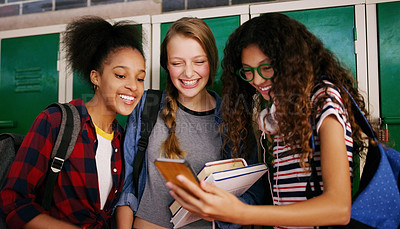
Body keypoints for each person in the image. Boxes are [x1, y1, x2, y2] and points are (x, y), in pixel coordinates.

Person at [166, 12, 370, 228]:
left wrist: (242, 213)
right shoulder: (283, 110)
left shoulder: (324, 101)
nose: (257, 80)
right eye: (248, 71)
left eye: (266, 68)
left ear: (290, 62)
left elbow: (338, 209)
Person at [115, 17, 264, 229]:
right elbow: (126, 181)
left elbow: (253, 193)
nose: (188, 73)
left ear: (211, 62)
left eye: (199, 62)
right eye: (177, 63)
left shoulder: (233, 117)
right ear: (166, 65)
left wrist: (221, 210)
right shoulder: (147, 105)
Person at [0, 16, 146, 228]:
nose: (133, 86)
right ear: (96, 77)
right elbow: (13, 201)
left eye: (140, 78)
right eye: (121, 75)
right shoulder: (56, 121)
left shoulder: (122, 139)